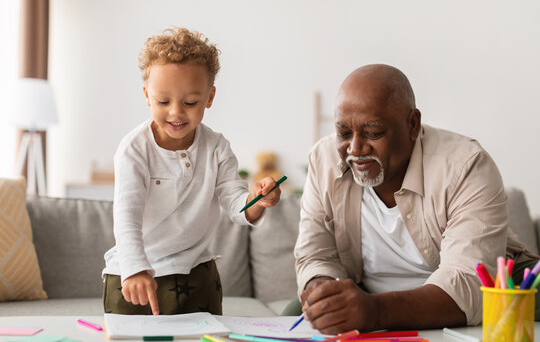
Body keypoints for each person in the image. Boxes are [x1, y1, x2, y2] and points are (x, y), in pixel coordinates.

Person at [293, 64, 539, 333]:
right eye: (343, 133)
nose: (355, 149)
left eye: (373, 133)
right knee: (294, 313)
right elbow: (314, 253)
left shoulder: (465, 165)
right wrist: (322, 290)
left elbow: (468, 283)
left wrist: (374, 311)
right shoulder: (324, 159)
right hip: (369, 295)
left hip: (490, 290)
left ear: (412, 124)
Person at [102, 27, 281, 316]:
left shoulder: (217, 148)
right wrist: (134, 269)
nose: (175, 112)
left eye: (190, 103)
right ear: (147, 95)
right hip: (136, 273)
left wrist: (258, 201)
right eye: (163, 102)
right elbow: (127, 218)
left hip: (195, 273)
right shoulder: (133, 149)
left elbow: (236, 204)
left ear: (209, 97)